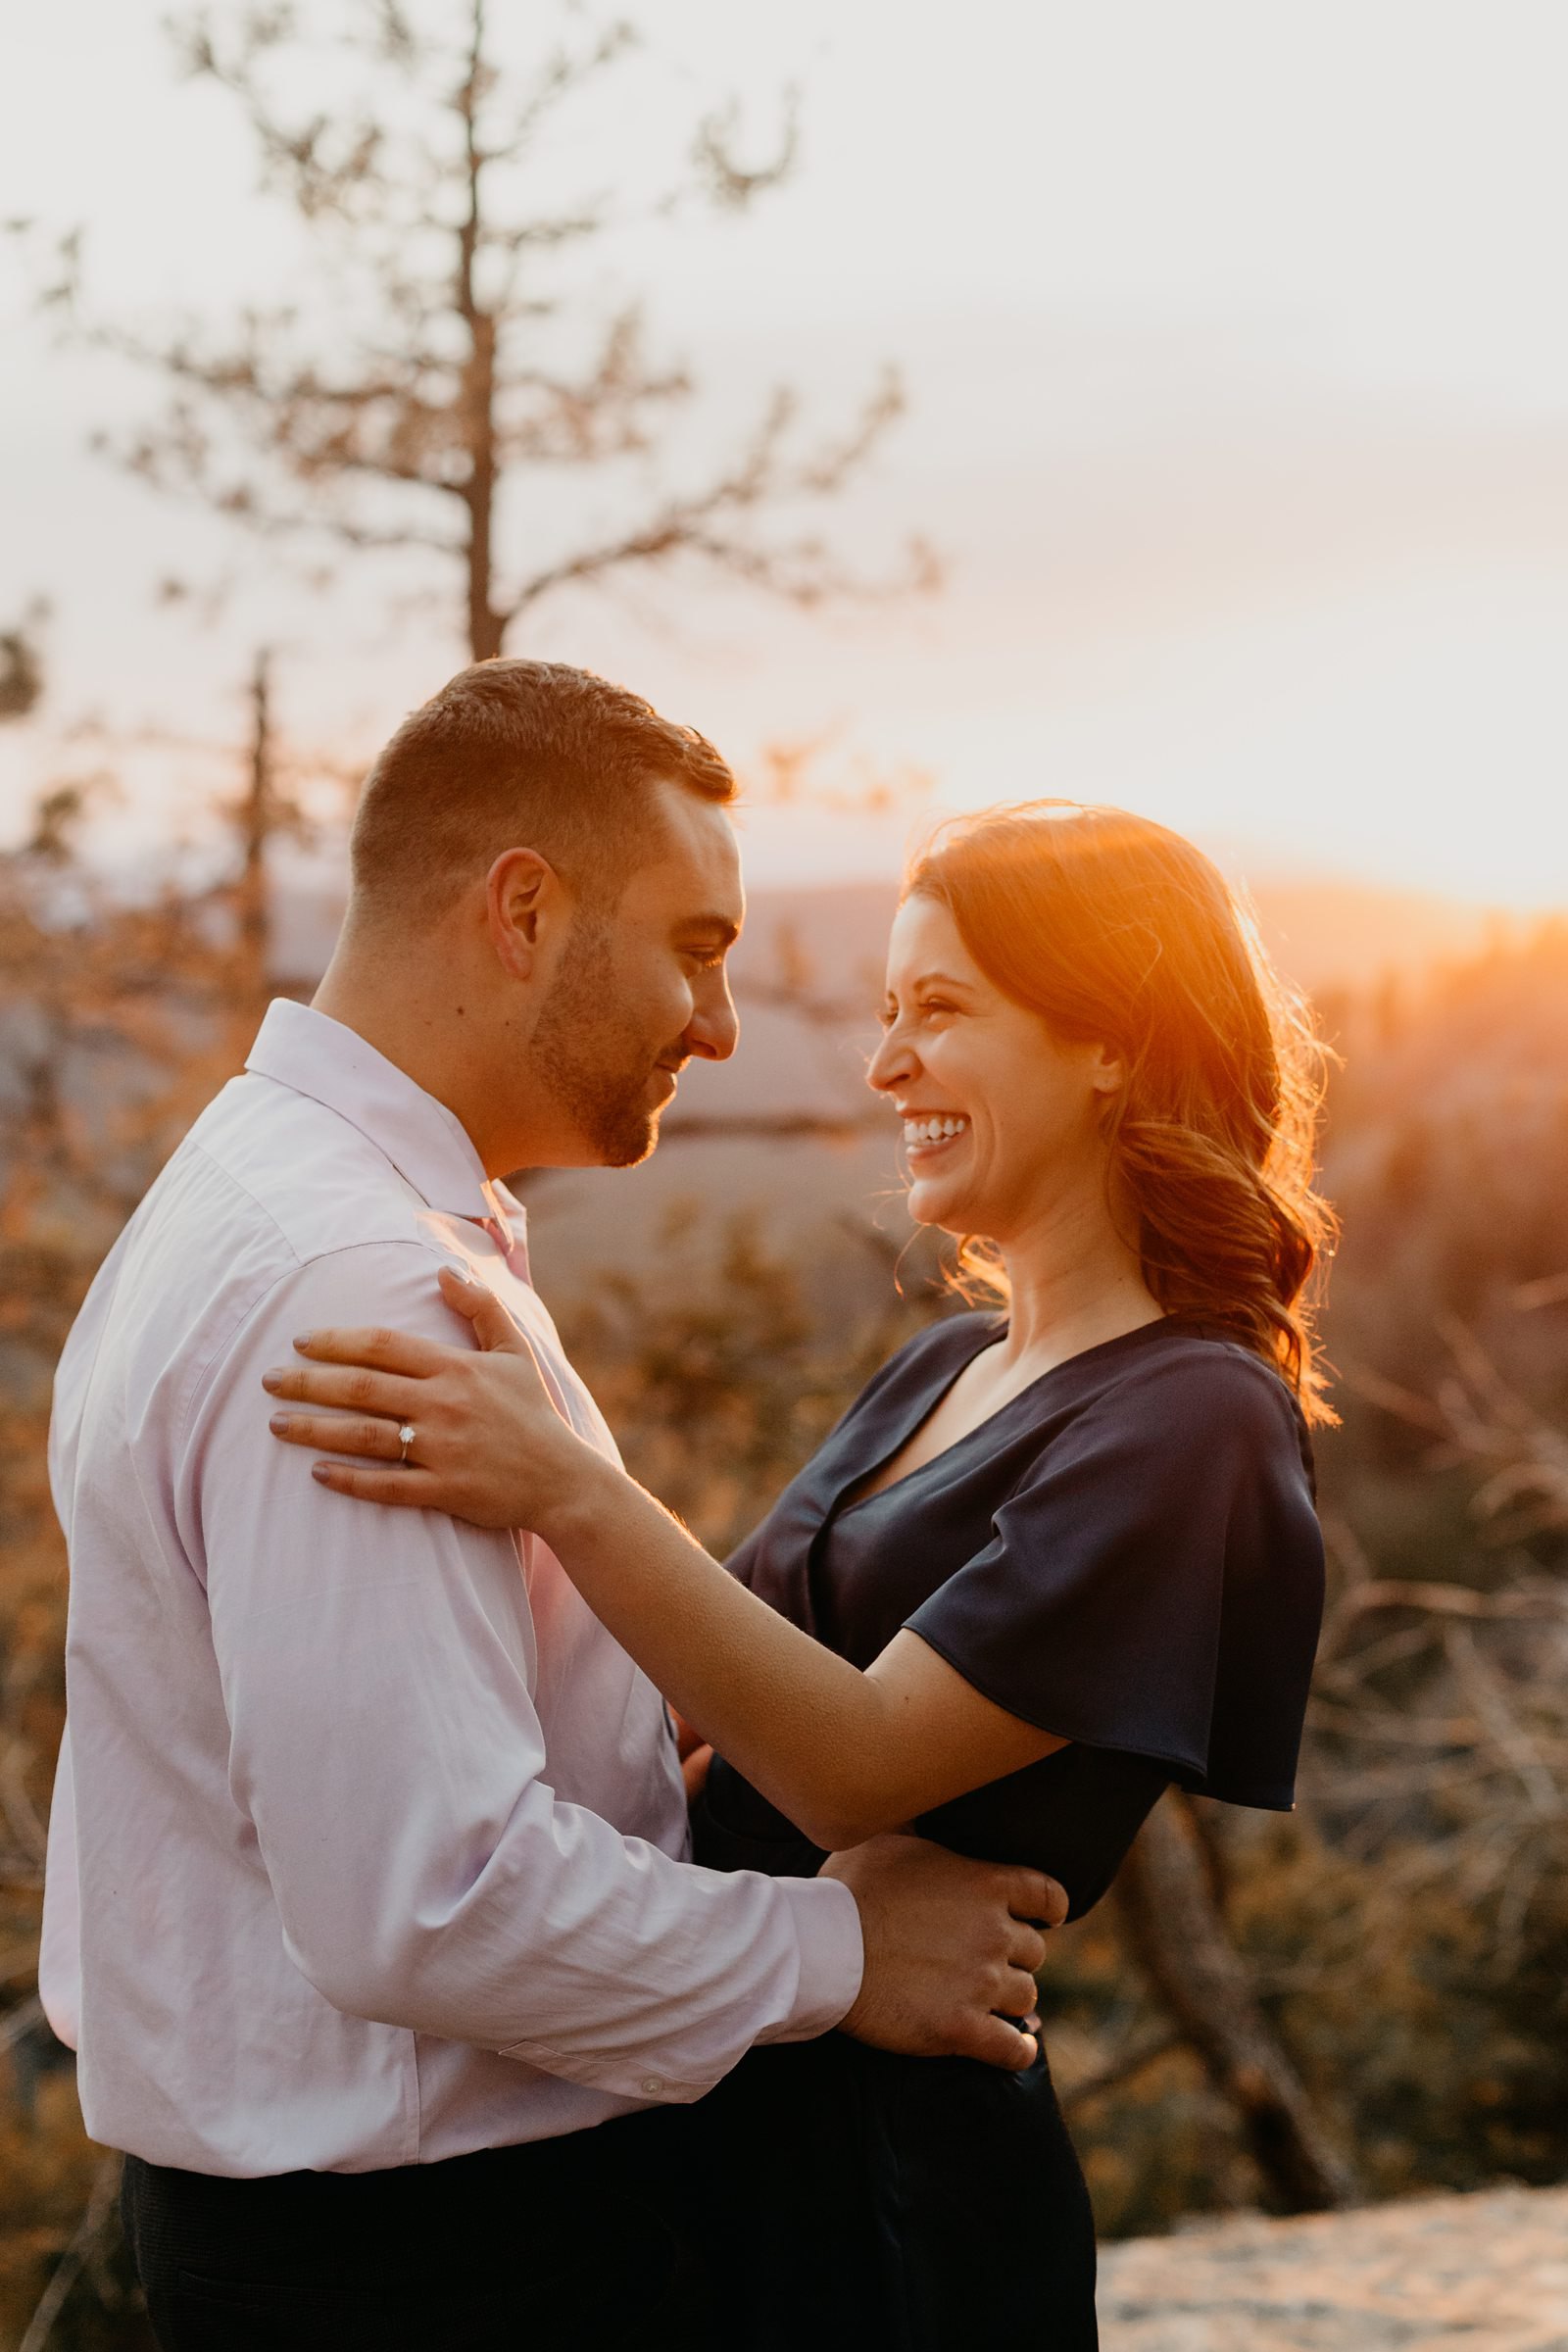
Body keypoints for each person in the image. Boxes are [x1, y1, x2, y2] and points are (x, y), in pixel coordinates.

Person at [39, 662, 1069, 2352]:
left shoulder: (273, 1189)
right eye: (696, 947)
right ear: (523, 909)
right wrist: (836, 1954)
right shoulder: (350, 1279)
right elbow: (427, 1902)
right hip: (439, 2267)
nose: (721, 1025)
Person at [266, 797, 1334, 2350]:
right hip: (717, 2115)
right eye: (889, 1015)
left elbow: (855, 1762)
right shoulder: (943, 1365)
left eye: (942, 1013)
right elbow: (698, 1714)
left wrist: (568, 1485)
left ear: (1113, 1041)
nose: (885, 1064)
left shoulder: (1195, 1416)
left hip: (892, 2186)